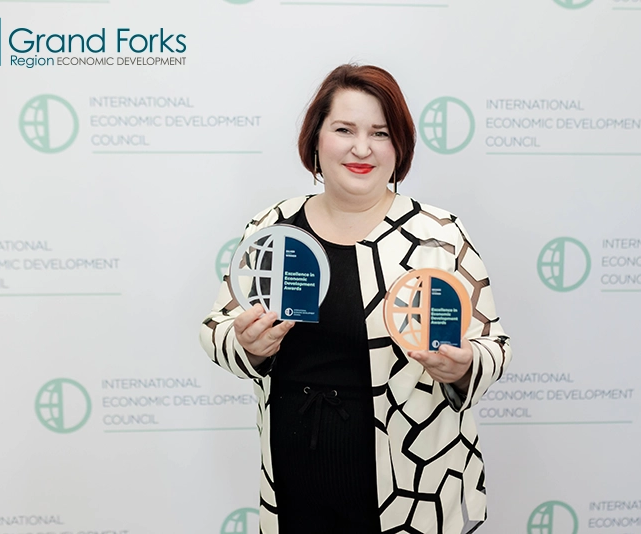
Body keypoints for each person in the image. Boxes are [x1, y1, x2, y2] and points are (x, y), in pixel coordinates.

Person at [200, 64, 512, 534]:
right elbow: (219, 327)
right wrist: (246, 345)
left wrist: (464, 366)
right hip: (295, 475)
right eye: (344, 129)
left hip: (412, 479)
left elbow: (493, 346)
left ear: (399, 146)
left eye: (380, 133)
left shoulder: (438, 234)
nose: (361, 148)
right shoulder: (275, 230)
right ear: (316, 139)